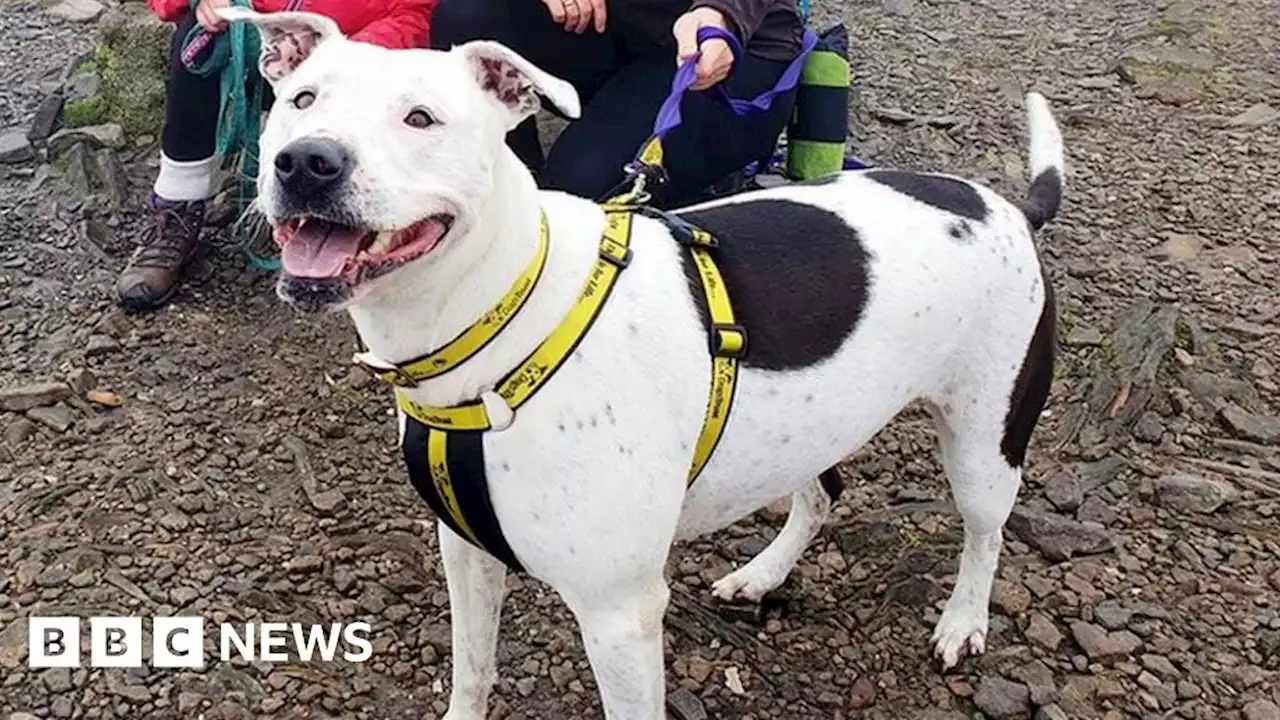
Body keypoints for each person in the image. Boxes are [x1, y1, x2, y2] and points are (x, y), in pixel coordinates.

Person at [119, 0, 437, 313]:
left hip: (353, 67)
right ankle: (177, 205)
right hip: (252, 40)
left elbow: (416, 11)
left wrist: (340, 55)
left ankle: (380, 223)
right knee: (196, 37)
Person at [429, 0, 803, 209]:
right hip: (614, 31)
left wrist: (719, 16)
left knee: (574, 195)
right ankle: (505, 184)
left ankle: (704, 173)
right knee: (466, 17)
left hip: (729, 43)